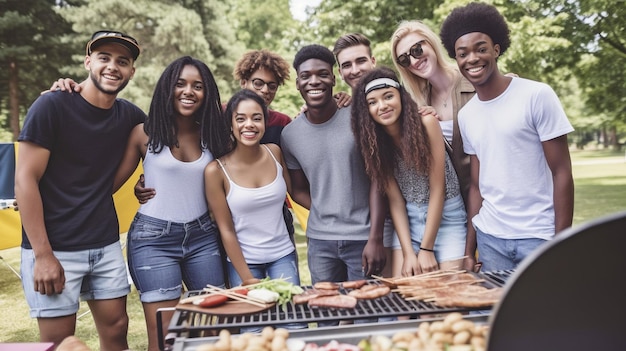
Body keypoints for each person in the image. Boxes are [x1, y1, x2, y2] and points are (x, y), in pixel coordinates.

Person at [14, 30, 145, 350]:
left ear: (131, 71)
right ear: (88, 62)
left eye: (122, 61)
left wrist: (149, 181)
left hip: (104, 243)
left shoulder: (129, 115)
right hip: (54, 247)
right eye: (104, 58)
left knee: (117, 330)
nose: (113, 66)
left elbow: (162, 144)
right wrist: (43, 256)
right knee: (62, 343)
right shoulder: (52, 106)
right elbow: (24, 180)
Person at [439, 2, 575, 271]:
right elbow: (477, 186)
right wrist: (470, 249)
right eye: (462, 53)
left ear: (496, 49)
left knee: (544, 312)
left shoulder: (536, 95)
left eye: (481, 48)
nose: (472, 59)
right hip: (491, 240)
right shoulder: (467, 116)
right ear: (457, 60)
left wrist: (560, 243)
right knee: (497, 314)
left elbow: (562, 174)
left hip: (539, 238)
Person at [112, 56, 227, 351]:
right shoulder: (144, 133)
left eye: (198, 86)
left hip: (204, 237)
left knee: (212, 329)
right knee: (165, 337)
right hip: (154, 241)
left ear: (207, 94)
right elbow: (109, 184)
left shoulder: (212, 133)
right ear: (167, 88)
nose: (189, 91)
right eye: (181, 84)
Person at [280, 44, 386, 288]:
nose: (314, 81)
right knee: (328, 311)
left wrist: (376, 237)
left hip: (364, 237)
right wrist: (325, 208)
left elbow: (379, 179)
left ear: (334, 78)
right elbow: (297, 188)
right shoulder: (290, 135)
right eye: (306, 76)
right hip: (320, 241)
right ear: (297, 83)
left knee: (367, 312)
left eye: (322, 74)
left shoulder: (359, 118)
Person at [352, 67, 467, 276]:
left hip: (448, 218)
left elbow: (438, 190)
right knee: (406, 301)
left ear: (402, 97)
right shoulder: (375, 143)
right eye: (373, 102)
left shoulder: (427, 123)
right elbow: (396, 201)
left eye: (388, 97)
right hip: (409, 221)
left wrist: (426, 249)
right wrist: (409, 253)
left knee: (448, 299)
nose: (382, 106)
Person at [205, 89, 299, 288]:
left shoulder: (275, 151)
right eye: (240, 119)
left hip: (283, 255)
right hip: (243, 262)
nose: (249, 124)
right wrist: (246, 276)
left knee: (293, 318)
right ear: (230, 124)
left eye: (256, 118)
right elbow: (226, 229)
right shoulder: (216, 171)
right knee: (254, 319)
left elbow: (296, 192)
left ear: (265, 123)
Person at [332, 33, 395, 278]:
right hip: (372, 221)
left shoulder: (393, 101)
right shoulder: (344, 109)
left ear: (373, 61)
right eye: (346, 65)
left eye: (360, 61)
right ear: (339, 72)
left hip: (406, 213)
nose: (354, 70)